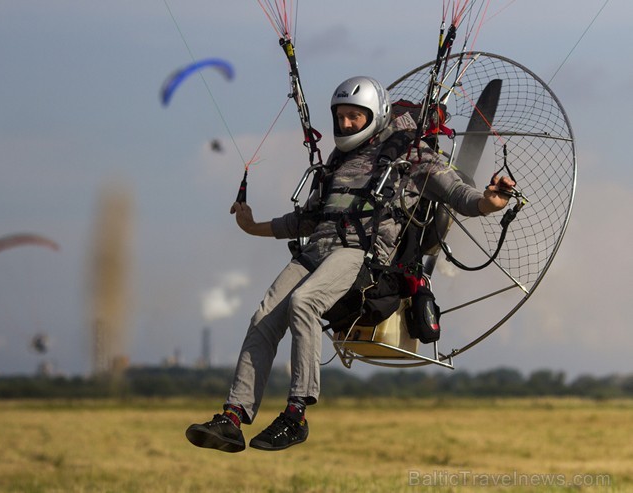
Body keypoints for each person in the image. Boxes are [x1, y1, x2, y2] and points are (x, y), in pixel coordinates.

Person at [185, 76, 516, 453]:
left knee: (304, 302)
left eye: (354, 117)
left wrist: (491, 201)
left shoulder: (414, 156)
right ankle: (233, 417)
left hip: (360, 254)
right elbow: (305, 221)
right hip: (315, 251)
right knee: (263, 317)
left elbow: (463, 197)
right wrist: (252, 226)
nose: (345, 125)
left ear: (375, 116)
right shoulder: (337, 161)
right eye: (340, 117)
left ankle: (296, 414)